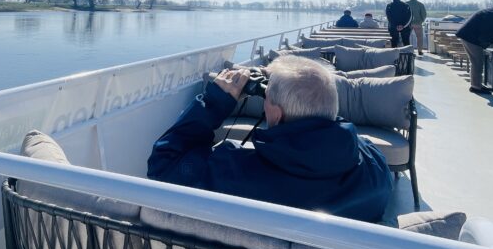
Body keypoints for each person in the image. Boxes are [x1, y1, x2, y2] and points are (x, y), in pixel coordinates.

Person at [147, 56, 393, 222]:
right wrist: (316, 106)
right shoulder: (374, 166)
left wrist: (214, 102)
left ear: (275, 113)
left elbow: (162, 164)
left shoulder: (233, 172)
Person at [456, 4, 493, 93]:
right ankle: (475, 87)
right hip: (471, 38)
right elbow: (490, 32)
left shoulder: (492, 12)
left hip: (468, 36)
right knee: (477, 63)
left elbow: (491, 31)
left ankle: (477, 84)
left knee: (476, 62)